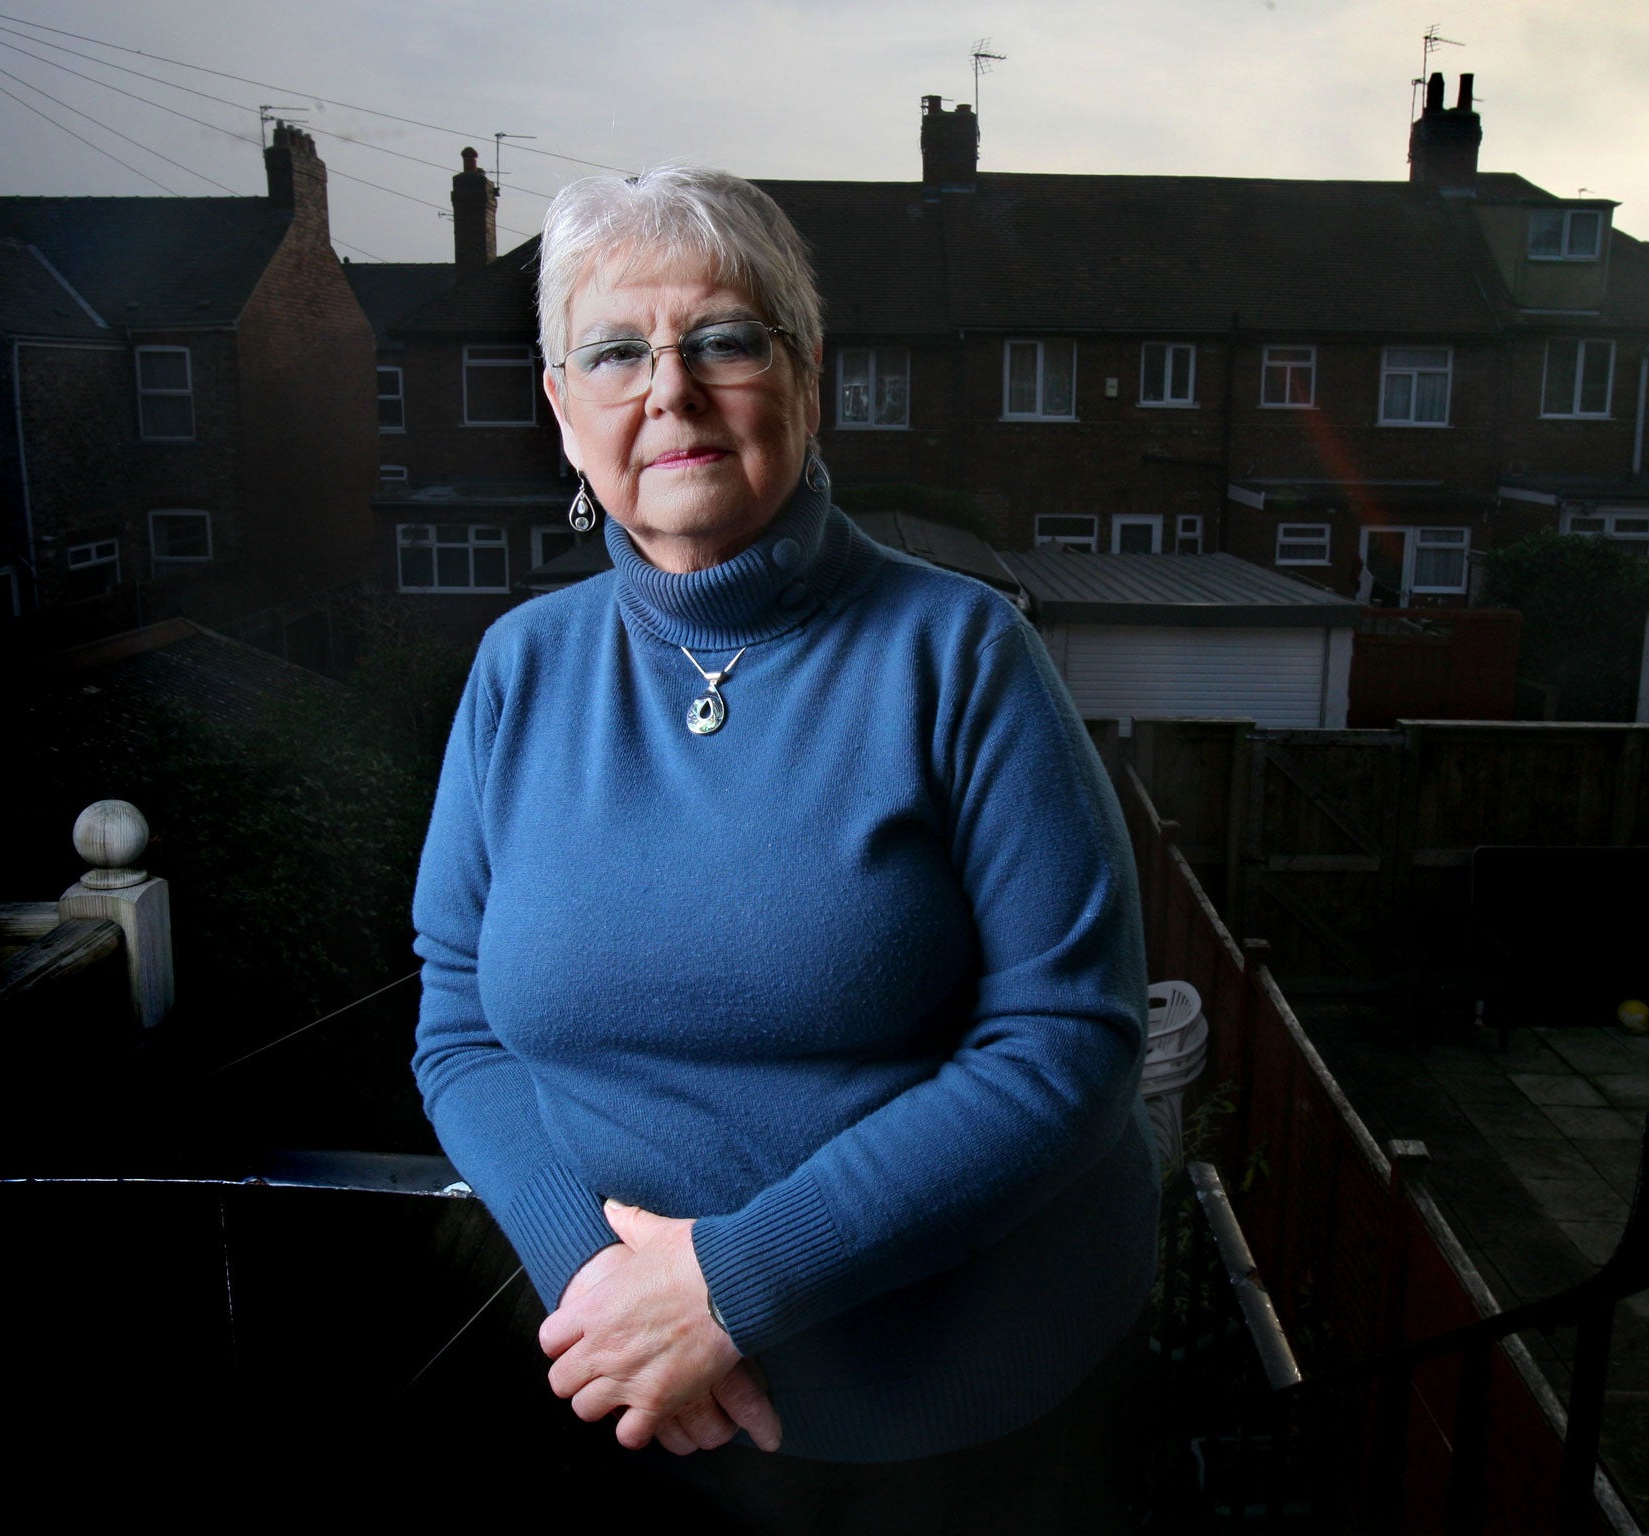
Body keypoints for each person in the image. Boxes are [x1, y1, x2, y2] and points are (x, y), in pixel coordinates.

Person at [411, 164, 1157, 1532]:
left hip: (957, 1421)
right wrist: (606, 1291)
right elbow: (459, 1028)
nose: (671, 393)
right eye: (616, 351)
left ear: (808, 379)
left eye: (724, 341)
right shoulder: (520, 667)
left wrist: (730, 1290)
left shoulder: (964, 654)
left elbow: (1068, 1044)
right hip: (623, 1391)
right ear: (563, 408)